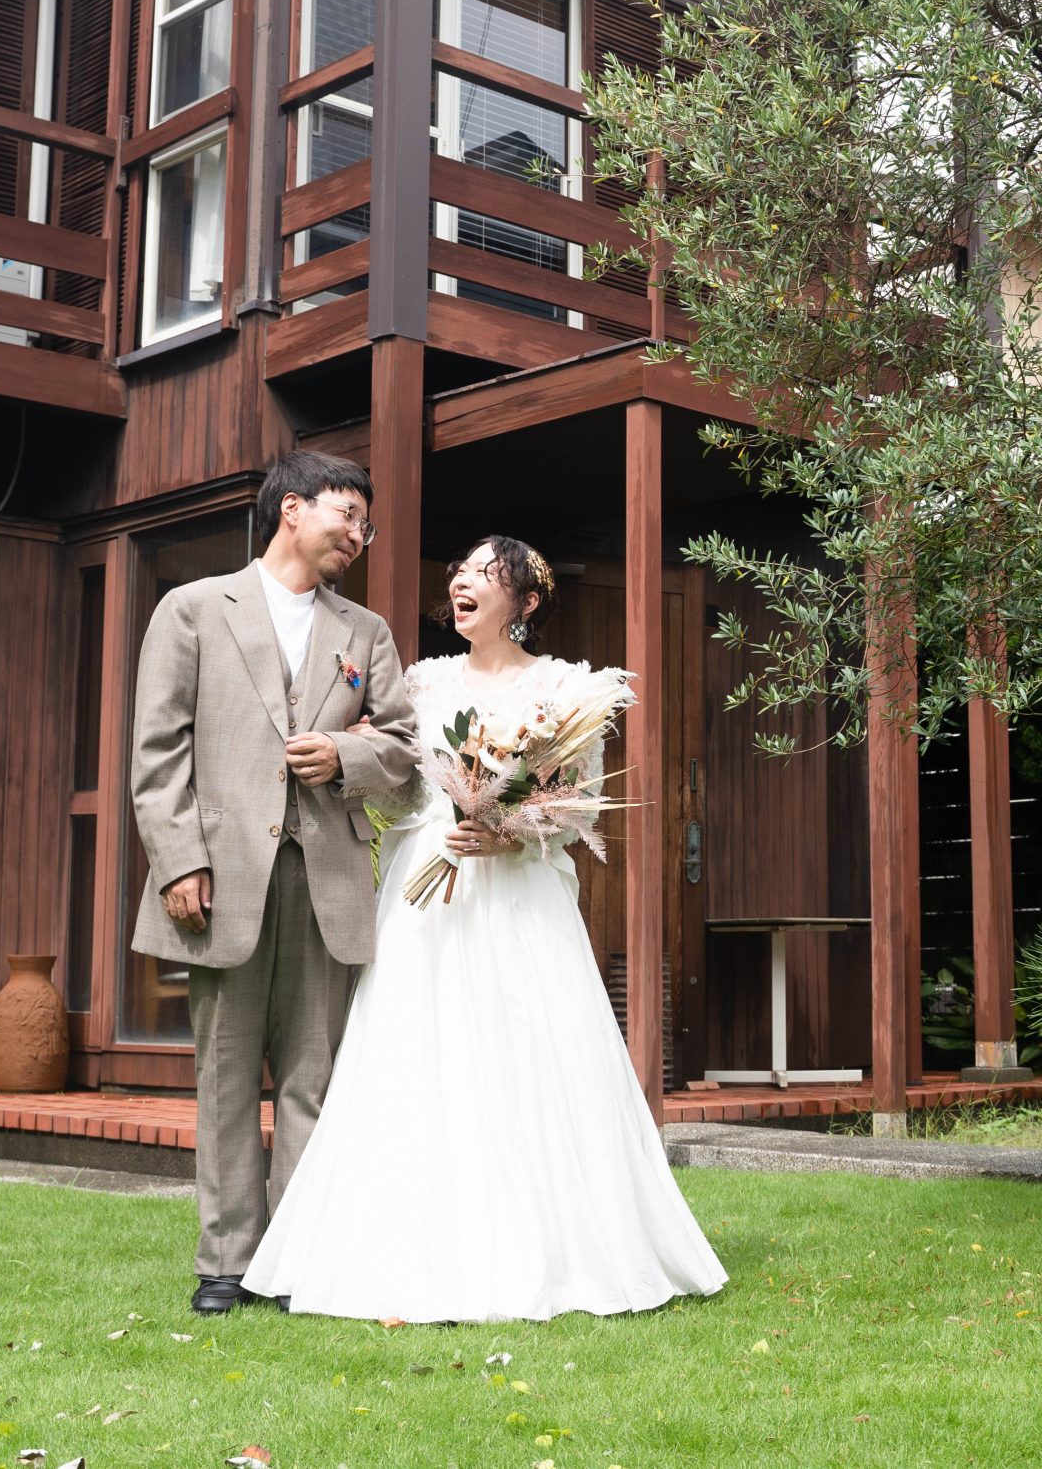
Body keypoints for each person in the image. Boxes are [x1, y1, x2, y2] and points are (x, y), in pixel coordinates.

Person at [244, 536, 728, 1322]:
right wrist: (396, 784)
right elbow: (398, 789)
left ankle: (552, 1246)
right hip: (427, 892)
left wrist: (508, 832)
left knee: (526, 1049)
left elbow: (577, 806)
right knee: (415, 1052)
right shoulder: (423, 682)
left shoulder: (565, 689)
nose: (463, 581)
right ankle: (403, 1247)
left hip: (518, 894)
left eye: (485, 572)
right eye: (461, 571)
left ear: (526, 601)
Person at [128, 451, 422, 1316]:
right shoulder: (193, 608)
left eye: (366, 523)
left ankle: (296, 1259)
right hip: (221, 877)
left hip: (329, 875)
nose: (358, 534)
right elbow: (158, 748)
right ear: (292, 507)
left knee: (311, 1077)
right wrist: (179, 859)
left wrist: (345, 753)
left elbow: (404, 746)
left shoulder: (366, 632)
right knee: (225, 1075)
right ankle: (226, 1260)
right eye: (346, 513)